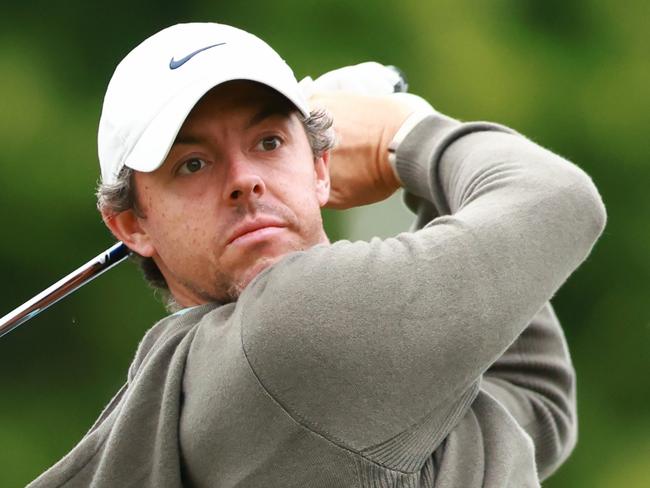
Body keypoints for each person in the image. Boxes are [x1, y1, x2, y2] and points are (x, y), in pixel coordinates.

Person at [28, 22, 606, 488]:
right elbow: (560, 200)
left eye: (270, 142)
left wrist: (422, 174)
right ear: (132, 225)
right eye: (193, 164)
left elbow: (531, 404)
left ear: (320, 167)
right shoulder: (290, 329)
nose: (244, 180)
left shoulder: (199, 385)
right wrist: (407, 132)